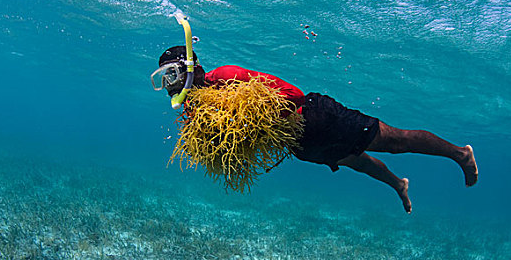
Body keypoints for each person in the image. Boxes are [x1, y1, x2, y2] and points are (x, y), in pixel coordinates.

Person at [153, 46, 478, 214]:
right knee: (359, 163)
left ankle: (460, 154)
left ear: (187, 68)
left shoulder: (225, 76)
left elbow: (293, 94)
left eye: (170, 76)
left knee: (395, 142)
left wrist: (257, 114)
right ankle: (398, 184)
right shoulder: (196, 111)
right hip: (299, 144)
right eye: (163, 80)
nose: (168, 86)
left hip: (316, 116)